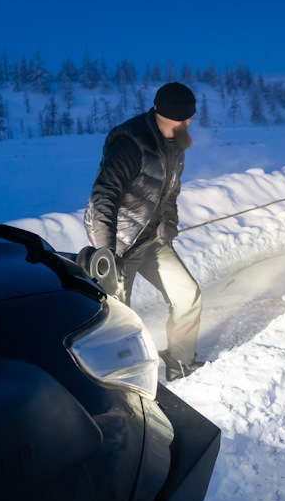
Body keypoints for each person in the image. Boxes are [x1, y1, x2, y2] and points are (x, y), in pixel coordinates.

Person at [84, 82, 205, 381]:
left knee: (188, 296)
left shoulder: (177, 143)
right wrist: (106, 253)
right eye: (187, 118)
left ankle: (179, 361)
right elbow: (104, 196)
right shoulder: (131, 142)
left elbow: (169, 192)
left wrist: (168, 224)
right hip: (120, 243)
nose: (190, 123)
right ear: (174, 116)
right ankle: (116, 383)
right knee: (117, 319)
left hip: (152, 241)